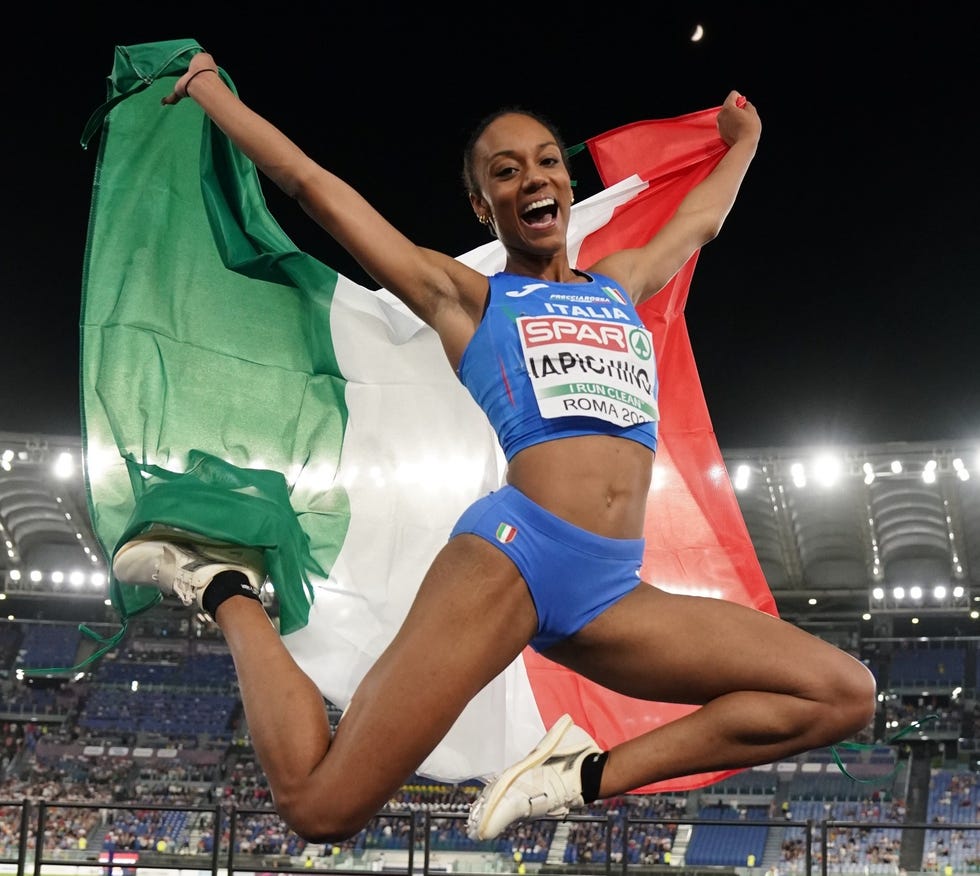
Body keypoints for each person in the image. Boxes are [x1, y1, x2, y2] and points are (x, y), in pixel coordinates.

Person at [112, 48, 877, 844]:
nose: (533, 178)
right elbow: (315, 187)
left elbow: (702, 220)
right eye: (505, 172)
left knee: (840, 693)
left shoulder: (620, 283)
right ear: (484, 208)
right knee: (320, 808)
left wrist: (744, 139)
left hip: (611, 589)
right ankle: (228, 591)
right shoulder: (468, 298)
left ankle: (573, 778)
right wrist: (208, 93)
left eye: (547, 161)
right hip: (513, 556)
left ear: (568, 185)